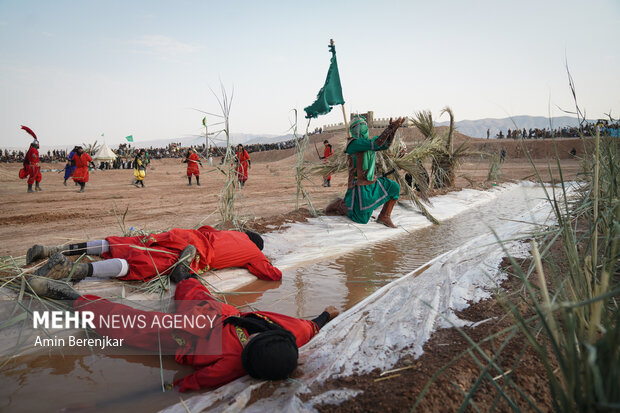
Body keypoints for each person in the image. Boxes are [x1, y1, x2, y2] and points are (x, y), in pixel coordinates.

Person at [27, 276, 339, 391]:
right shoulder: (236, 364)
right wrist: (177, 385)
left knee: (193, 291)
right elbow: (197, 381)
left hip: (217, 314)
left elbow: (314, 324)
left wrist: (328, 314)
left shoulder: (292, 331)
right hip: (189, 336)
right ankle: (71, 298)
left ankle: (184, 275)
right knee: (131, 325)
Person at [26, 226, 282, 282]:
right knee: (140, 265)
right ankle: (74, 270)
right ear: (255, 245)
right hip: (195, 255)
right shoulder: (254, 254)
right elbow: (273, 275)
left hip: (187, 236)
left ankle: (55, 250)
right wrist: (268, 262)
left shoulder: (232, 232)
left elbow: (206, 229)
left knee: (127, 242)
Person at [325, 116, 404, 228]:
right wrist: (389, 128)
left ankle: (384, 216)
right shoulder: (354, 144)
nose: (363, 129)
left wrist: (394, 129)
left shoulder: (367, 143)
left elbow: (384, 145)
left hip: (371, 181)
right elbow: (377, 143)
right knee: (361, 220)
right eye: (360, 127)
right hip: (359, 186)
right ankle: (340, 205)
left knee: (394, 187)